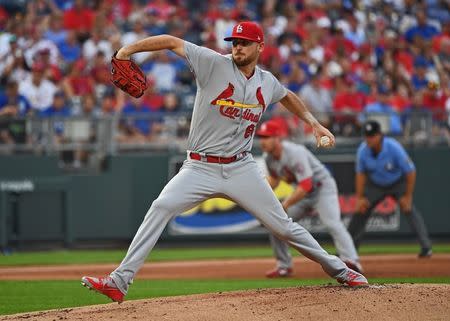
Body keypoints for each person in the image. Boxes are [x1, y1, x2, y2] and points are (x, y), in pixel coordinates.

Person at [81, 21, 367, 303]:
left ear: (260, 47)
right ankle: (119, 281)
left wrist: (314, 124)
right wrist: (126, 51)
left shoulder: (266, 82)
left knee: (283, 227)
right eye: (235, 42)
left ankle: (341, 270)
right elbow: (170, 41)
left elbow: (286, 96)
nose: (238, 47)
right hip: (199, 166)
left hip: (241, 167)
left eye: (244, 43)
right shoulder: (212, 63)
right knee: (161, 207)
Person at [257, 120, 362, 278]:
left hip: (322, 188)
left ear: (277, 138)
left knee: (333, 223)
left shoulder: (294, 152)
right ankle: (283, 266)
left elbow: (306, 185)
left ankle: (352, 261)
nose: (263, 141)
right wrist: (259, 196)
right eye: (261, 137)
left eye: (267, 137)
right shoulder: (269, 158)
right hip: (302, 195)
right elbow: (274, 180)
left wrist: (285, 204)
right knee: (275, 222)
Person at [347, 120, 432, 258]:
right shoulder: (362, 150)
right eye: (367, 136)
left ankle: (426, 247)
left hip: (397, 183)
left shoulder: (393, 147)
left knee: (408, 209)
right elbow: (360, 175)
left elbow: (410, 171)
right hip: (375, 185)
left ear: (380, 135)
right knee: (360, 210)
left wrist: (408, 196)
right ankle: (349, 250)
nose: (369, 139)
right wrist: (360, 198)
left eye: (372, 136)